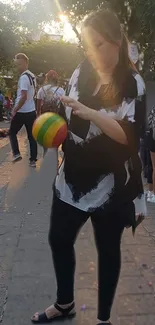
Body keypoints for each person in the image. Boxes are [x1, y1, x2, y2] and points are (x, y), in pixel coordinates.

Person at [31, 10, 146, 325]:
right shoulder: (82, 70)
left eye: (100, 44)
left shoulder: (132, 82)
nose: (95, 53)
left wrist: (92, 113)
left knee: (107, 250)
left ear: (117, 40)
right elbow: (72, 113)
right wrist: (55, 128)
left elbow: (129, 137)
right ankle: (65, 304)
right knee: (59, 239)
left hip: (110, 185)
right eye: (89, 46)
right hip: (71, 179)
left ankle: (104, 319)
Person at [9, 53, 37, 167]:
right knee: (31, 137)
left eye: (19, 64)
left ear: (26, 63)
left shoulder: (24, 77)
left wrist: (15, 109)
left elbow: (23, 96)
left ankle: (16, 153)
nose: (18, 67)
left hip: (22, 112)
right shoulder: (33, 76)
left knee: (11, 132)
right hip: (31, 111)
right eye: (17, 64)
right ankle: (33, 160)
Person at [37, 70, 65, 156]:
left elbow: (38, 107)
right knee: (55, 140)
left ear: (47, 79)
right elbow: (64, 106)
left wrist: (38, 117)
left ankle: (46, 158)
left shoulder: (41, 90)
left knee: (46, 139)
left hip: (45, 119)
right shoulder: (61, 90)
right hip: (57, 119)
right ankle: (54, 160)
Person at [147, 105, 155, 202]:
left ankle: (153, 193)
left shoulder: (153, 108)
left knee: (154, 168)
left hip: (151, 141)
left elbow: (149, 122)